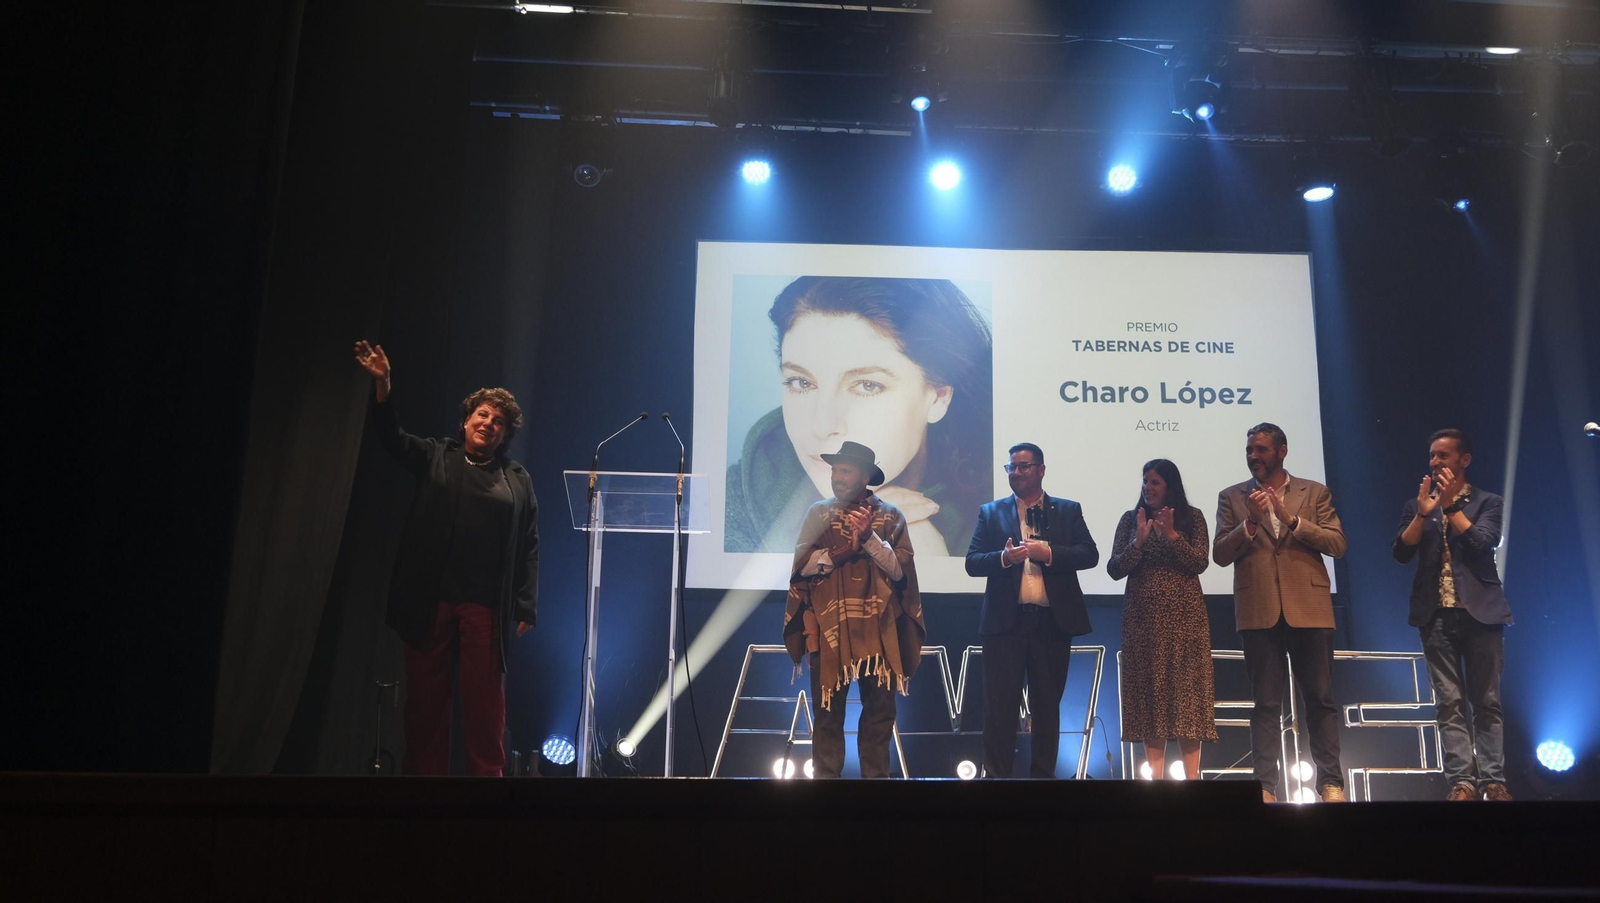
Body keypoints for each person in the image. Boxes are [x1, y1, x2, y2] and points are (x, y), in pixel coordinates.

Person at [353, 340, 538, 776]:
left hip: (484, 604)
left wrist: (526, 602)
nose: (489, 423)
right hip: (431, 598)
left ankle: (486, 789)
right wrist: (383, 385)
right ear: (466, 421)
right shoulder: (437, 455)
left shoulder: (516, 478)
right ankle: (425, 789)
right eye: (482, 415)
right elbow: (391, 438)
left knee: (484, 705)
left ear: (505, 435)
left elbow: (529, 541)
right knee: (426, 701)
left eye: (499, 422)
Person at [725, 276, 993, 556]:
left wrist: (936, 573)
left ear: (938, 397)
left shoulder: (1003, 516)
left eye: (867, 385)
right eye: (801, 383)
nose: (822, 426)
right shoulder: (731, 511)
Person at [1213, 422, 1347, 802]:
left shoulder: (1313, 492)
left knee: (1320, 700)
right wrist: (1251, 523)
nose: (1254, 456)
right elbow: (1220, 554)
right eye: (1250, 450)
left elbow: (1337, 543)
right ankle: (1265, 788)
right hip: (1259, 610)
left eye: (1261, 449)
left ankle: (1330, 783)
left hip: (1310, 609)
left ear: (1282, 451)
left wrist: (1291, 520)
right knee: (1266, 705)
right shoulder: (1233, 497)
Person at [782, 441, 926, 778]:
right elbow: (802, 569)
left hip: (879, 630)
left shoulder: (890, 515)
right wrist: (844, 551)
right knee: (827, 712)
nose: (836, 477)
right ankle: (827, 788)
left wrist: (869, 539)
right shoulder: (819, 513)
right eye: (834, 470)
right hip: (831, 628)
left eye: (844, 470)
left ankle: (874, 791)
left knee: (879, 713)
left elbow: (899, 570)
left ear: (865, 476)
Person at [1392, 429, 1514, 801]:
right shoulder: (1417, 505)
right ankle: (1461, 781)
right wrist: (1423, 514)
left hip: (1481, 615)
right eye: (1432, 456)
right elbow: (1400, 552)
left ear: (1465, 460)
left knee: (1487, 701)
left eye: (1443, 456)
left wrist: (1450, 507)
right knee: (1448, 702)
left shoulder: (1488, 501)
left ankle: (1493, 781)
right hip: (1436, 615)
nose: (1435, 462)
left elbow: (1481, 542)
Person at [966, 442, 1099, 779]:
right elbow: (972, 562)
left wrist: (1048, 552)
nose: (1017, 472)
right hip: (1004, 625)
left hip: (1051, 624)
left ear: (1041, 469)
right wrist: (1003, 558)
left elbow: (1089, 554)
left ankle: (1042, 780)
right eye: (1012, 467)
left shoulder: (1067, 511)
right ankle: (997, 779)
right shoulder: (991, 512)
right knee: (999, 709)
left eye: (1024, 466)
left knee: (1046, 708)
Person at [1107, 459, 1218, 781]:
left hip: (1186, 620)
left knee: (1187, 693)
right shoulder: (1131, 520)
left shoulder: (1191, 518)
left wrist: (1171, 535)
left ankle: (1193, 778)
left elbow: (1199, 562)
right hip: (1143, 619)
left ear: (1170, 486)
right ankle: (1153, 780)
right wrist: (1138, 541)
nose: (1147, 487)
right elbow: (1115, 569)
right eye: (1145, 481)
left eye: (1155, 482)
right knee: (1149, 693)